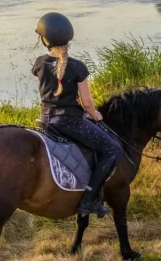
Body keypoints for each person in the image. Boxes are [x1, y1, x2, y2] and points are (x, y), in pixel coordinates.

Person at [32, 12, 121, 217]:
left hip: (45, 120)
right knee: (112, 149)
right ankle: (89, 199)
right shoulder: (77, 66)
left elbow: (46, 91)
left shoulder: (39, 63)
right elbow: (87, 103)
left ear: (46, 40)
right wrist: (96, 115)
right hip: (68, 122)